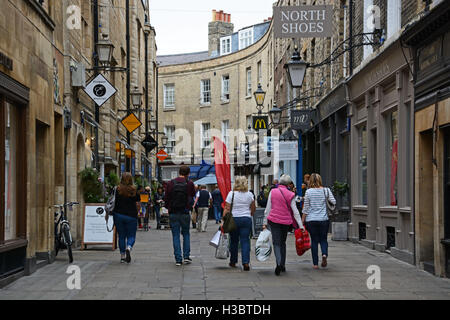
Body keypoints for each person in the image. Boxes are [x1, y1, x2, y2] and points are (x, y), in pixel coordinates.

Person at [263, 175, 304, 276]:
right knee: (283, 242)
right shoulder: (291, 194)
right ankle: (283, 264)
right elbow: (295, 211)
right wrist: (301, 225)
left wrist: (264, 222)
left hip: (274, 220)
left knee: (276, 242)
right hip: (286, 222)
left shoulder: (273, 192)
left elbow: (268, 208)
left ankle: (278, 263)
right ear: (288, 184)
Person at [301, 173, 336, 269]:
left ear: (311, 181)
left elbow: (306, 208)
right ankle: (324, 254)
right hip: (323, 219)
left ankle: (315, 264)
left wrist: (302, 220)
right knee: (323, 239)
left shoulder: (308, 192)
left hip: (311, 220)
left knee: (314, 241)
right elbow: (333, 201)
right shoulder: (326, 190)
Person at [164, 165, 196, 266]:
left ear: (179, 172)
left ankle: (178, 259)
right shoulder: (189, 183)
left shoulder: (171, 183)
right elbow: (192, 196)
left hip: (173, 212)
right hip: (185, 212)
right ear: (188, 173)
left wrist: (168, 207)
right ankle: (186, 256)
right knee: (186, 234)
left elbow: (167, 197)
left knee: (175, 235)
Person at [222, 176, 256, 271]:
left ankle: (233, 261)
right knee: (245, 241)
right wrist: (250, 213)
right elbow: (253, 208)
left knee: (234, 241)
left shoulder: (231, 194)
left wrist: (223, 220)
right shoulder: (249, 194)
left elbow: (227, 208)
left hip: (234, 219)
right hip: (246, 219)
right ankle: (245, 262)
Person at [111, 172, 140, 264]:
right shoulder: (134, 190)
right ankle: (129, 247)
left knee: (122, 236)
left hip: (118, 215)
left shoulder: (117, 189)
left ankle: (122, 256)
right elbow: (138, 202)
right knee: (131, 236)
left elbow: (112, 200)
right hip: (131, 216)